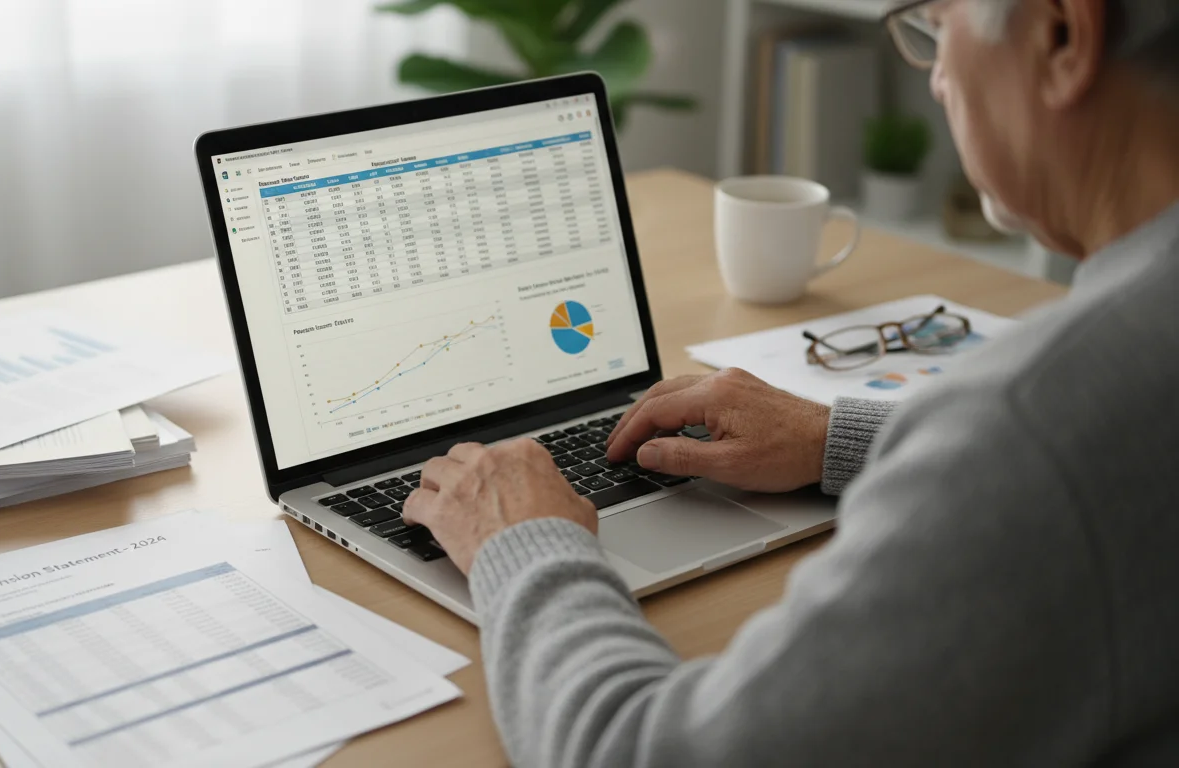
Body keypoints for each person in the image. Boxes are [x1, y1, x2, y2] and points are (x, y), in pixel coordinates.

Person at [402, 0, 1179, 764]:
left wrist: (523, 544)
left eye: (939, 26)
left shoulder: (1026, 433)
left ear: (1061, 33)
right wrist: (840, 439)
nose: (937, 78)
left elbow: (636, 751)